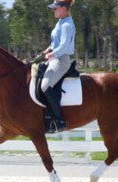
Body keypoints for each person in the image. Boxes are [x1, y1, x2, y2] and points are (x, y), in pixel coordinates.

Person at [42, 0, 76, 132]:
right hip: (54, 58)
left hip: (61, 60)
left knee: (45, 85)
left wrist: (52, 54)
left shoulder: (67, 24)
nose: (53, 11)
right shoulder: (60, 22)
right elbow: (55, 43)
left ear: (63, 8)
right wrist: (47, 50)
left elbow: (63, 46)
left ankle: (59, 120)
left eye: (55, 8)